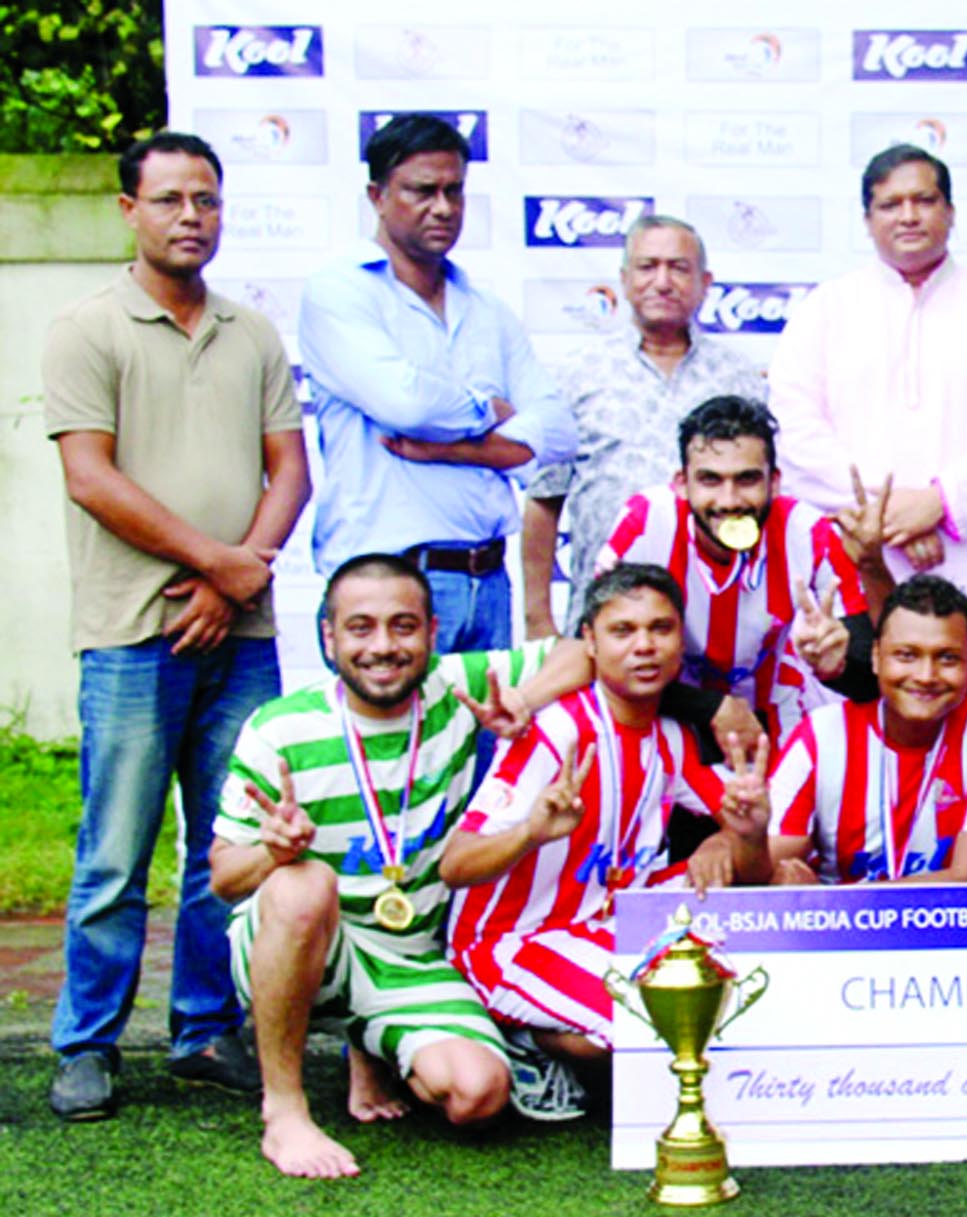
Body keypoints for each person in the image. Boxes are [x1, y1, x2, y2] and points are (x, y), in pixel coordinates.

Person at [42, 131, 311, 1121]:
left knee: (229, 839)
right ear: (130, 211)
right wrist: (220, 564)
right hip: (129, 631)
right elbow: (91, 475)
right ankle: (87, 1042)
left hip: (238, 633)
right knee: (115, 847)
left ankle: (204, 1028)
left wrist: (234, 582)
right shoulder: (88, 327)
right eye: (168, 199)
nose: (190, 215)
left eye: (205, 198)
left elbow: (291, 469)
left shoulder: (252, 332)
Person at [209, 554, 573, 1177]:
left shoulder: (455, 689)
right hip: (311, 940)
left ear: (433, 631)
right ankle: (286, 1111)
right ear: (328, 636)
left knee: (478, 1095)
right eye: (360, 627)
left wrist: (525, 701)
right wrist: (274, 853)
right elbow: (222, 878)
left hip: (408, 954)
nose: (383, 646)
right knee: (303, 886)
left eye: (403, 626)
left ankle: (370, 1043)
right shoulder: (280, 730)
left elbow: (578, 652)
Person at [444, 563, 768, 1117]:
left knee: (753, 959)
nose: (644, 646)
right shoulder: (555, 734)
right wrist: (529, 833)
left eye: (660, 629)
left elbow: (752, 867)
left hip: (610, 921)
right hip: (509, 939)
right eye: (623, 631)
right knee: (652, 1021)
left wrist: (741, 835)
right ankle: (523, 1039)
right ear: (590, 642)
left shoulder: (667, 737)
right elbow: (455, 865)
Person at [299, 113, 576, 651]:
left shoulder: (485, 308)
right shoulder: (340, 292)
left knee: (484, 738)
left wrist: (457, 452)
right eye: (422, 191)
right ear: (377, 196)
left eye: (455, 191)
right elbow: (406, 405)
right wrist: (495, 415)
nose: (443, 208)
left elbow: (560, 431)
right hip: (386, 584)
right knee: (393, 738)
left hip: (488, 580)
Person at [766, 145, 967, 632]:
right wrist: (891, 517)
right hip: (860, 550)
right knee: (859, 692)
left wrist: (940, 504)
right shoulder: (826, 309)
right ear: (867, 219)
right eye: (890, 204)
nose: (908, 216)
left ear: (950, 212)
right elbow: (796, 433)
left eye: (923, 201)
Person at [521, 215, 767, 639]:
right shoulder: (576, 376)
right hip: (605, 617)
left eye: (678, 267)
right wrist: (538, 620)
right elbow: (544, 502)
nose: (663, 281)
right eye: (648, 266)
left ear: (705, 282)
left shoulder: (740, 379)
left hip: (718, 618)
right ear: (624, 278)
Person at [593, 395, 892, 743]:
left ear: (775, 482)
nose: (730, 501)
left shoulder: (809, 532)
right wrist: (708, 707)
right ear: (681, 483)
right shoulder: (645, 523)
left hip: (774, 713)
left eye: (747, 479)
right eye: (710, 480)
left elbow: (872, 678)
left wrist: (836, 665)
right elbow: (596, 655)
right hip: (666, 713)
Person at [718, 576, 967, 886]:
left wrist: (832, 904)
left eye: (947, 658)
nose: (925, 675)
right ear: (876, 657)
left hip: (949, 931)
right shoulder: (822, 735)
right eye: (907, 655)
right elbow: (765, 875)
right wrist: (750, 839)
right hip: (835, 931)